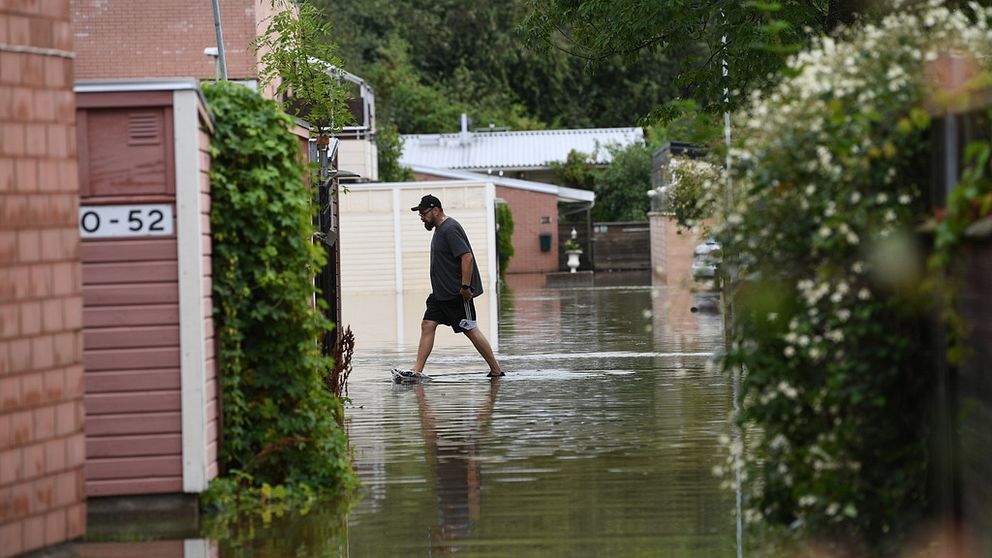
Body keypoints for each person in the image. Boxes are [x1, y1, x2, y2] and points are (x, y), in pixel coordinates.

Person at [393, 194, 504, 379]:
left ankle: (496, 370)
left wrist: (465, 287)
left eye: (423, 212)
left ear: (436, 210)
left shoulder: (450, 228)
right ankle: (416, 371)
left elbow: (467, 257)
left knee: (469, 329)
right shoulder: (439, 229)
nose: (421, 216)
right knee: (427, 324)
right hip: (440, 294)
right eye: (419, 213)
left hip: (457, 293)